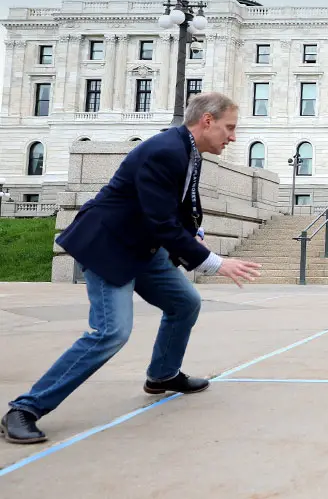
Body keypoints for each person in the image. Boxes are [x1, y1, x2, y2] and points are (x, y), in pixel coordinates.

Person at [2, 93, 261, 445]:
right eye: (230, 128)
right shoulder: (165, 150)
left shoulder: (188, 150)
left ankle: (162, 375)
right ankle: (25, 409)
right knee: (111, 332)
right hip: (110, 246)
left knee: (185, 303)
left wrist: (194, 234)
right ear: (207, 121)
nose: (233, 137)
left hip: (143, 247)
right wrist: (215, 262)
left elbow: (178, 207)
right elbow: (160, 222)